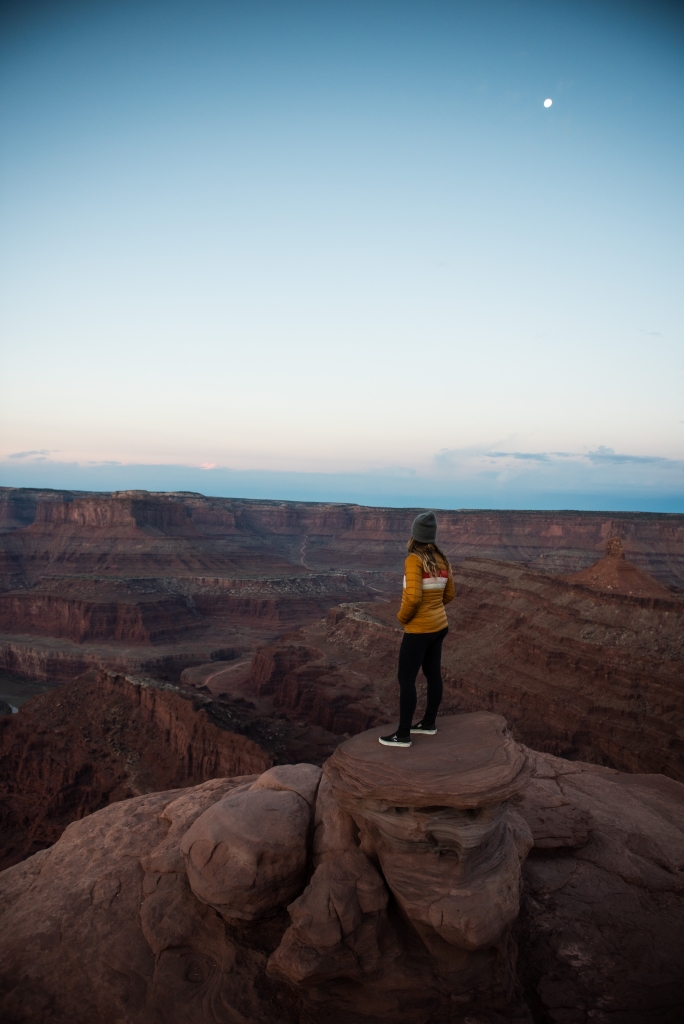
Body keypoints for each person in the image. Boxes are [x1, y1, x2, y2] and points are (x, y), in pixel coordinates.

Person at [379, 511, 454, 747]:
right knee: (433, 676)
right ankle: (428, 723)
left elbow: (412, 598)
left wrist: (403, 619)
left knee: (406, 679)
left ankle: (403, 735)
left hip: (419, 629)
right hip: (439, 626)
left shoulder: (414, 560)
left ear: (415, 535)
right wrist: (433, 609)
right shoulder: (443, 560)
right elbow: (449, 594)